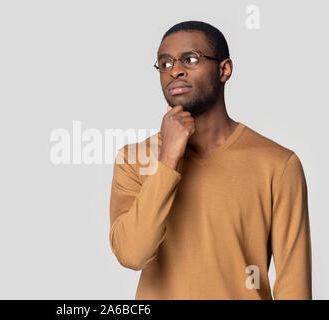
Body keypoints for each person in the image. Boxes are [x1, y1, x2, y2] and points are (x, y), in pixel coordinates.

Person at [108, 21, 312, 299]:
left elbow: (294, 283)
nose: (175, 70)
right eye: (165, 63)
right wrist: (169, 158)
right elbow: (132, 254)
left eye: (190, 59)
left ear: (224, 70)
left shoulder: (277, 163)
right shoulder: (134, 159)